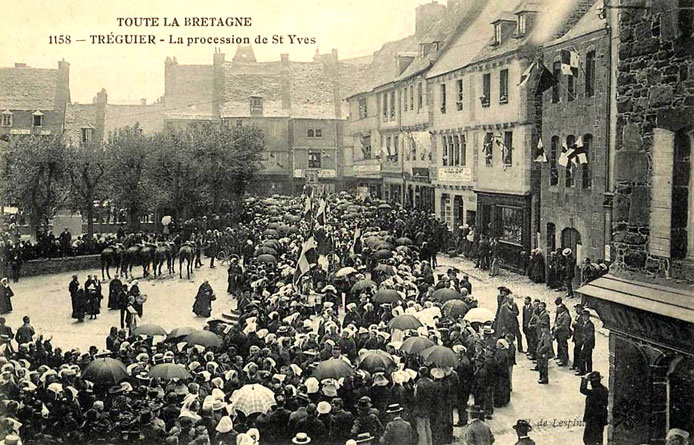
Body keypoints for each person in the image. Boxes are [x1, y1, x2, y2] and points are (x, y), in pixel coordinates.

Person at [580, 371, 608, 445]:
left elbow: (582, 390)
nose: (591, 384)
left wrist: (584, 379)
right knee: (598, 438)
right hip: (601, 418)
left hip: (593, 418)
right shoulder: (604, 389)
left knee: (588, 439)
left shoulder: (594, 391)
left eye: (592, 382)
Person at [413, 366, 436, 445]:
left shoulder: (419, 384)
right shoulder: (432, 382)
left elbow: (416, 397)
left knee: (421, 429)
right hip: (429, 408)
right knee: (428, 427)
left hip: (420, 409)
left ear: (420, 373)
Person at [578, 309, 595, 375]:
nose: (584, 317)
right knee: (582, 357)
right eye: (583, 316)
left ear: (588, 317)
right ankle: (583, 371)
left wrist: (584, 343)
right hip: (585, 343)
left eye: (585, 316)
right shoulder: (584, 323)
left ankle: (588, 372)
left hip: (588, 344)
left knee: (588, 358)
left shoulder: (590, 325)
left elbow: (590, 336)